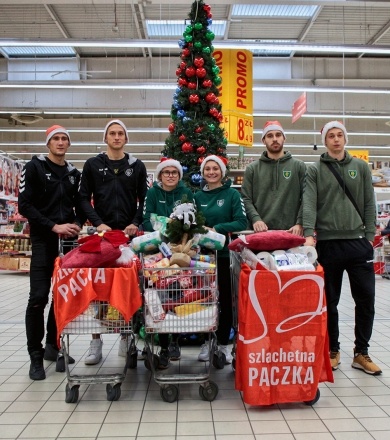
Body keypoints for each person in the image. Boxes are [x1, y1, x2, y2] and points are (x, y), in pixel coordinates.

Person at [303, 120, 382, 375]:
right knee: (329, 301)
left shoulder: (360, 167)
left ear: (345, 139)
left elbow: (370, 203)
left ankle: (362, 352)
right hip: (328, 243)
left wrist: (369, 237)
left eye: (339, 135)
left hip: (358, 243)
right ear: (324, 142)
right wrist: (308, 234)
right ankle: (333, 350)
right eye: (331, 136)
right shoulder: (314, 170)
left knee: (366, 300)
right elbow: (309, 203)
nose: (336, 139)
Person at [79, 119, 147, 365]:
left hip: (128, 237)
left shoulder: (136, 166)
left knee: (128, 287)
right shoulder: (93, 165)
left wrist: (136, 223)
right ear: (106, 138)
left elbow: (144, 199)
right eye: (112, 133)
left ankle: (125, 337)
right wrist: (98, 223)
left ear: (126, 139)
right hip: (101, 237)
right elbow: (84, 199)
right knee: (98, 290)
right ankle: (95, 342)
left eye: (121, 134)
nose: (117, 137)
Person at [18, 125, 84, 380]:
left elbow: (80, 205)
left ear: (68, 144)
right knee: (38, 297)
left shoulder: (73, 174)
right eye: (55, 139)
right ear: (48, 143)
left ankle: (53, 346)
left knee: (62, 296)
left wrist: (77, 225)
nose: (60, 142)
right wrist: (52, 225)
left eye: (64, 139)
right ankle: (35, 356)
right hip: (43, 240)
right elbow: (25, 205)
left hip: (68, 243)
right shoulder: (34, 168)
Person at [194, 155, 247, 363]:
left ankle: (224, 345)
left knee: (225, 301)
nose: (211, 172)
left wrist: (216, 229)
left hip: (225, 256)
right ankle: (206, 342)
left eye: (215, 168)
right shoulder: (197, 197)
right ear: (203, 172)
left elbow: (241, 221)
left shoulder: (232, 194)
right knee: (204, 301)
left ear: (222, 172)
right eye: (207, 169)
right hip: (201, 258)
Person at [142, 158, 194, 368]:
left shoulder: (186, 193)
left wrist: (178, 231)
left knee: (178, 294)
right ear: (161, 175)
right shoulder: (153, 193)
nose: (171, 175)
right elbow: (146, 219)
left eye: (175, 172)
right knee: (159, 296)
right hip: (157, 253)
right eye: (167, 172)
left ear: (179, 175)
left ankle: (175, 341)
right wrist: (164, 229)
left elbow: (191, 220)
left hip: (180, 251)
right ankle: (163, 344)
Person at [241, 120, 306, 235]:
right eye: (270, 136)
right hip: (260, 232)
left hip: (291, 232)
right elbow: (246, 198)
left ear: (284, 138)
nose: (275, 139)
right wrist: (256, 219)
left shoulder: (299, 166)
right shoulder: (252, 169)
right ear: (263, 140)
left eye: (278, 135)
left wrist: (300, 222)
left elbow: (306, 197)